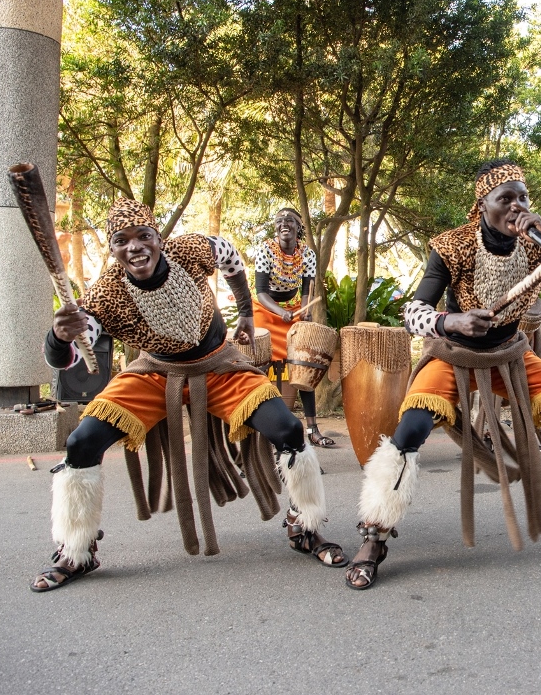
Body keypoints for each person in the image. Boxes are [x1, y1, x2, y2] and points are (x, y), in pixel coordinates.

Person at [344, 159, 541, 590]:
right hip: (454, 355)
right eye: (506, 198)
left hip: (509, 355)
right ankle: (373, 536)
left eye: (522, 197)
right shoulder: (453, 244)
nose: (517, 206)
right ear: (482, 205)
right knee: (408, 431)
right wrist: (453, 322)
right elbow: (414, 312)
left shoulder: (539, 241)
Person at [31, 199, 347, 592]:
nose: (135, 247)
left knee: (288, 430)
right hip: (154, 373)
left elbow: (231, 259)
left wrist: (246, 312)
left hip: (219, 365)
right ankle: (76, 549)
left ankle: (306, 525)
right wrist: (57, 336)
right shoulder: (105, 295)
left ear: (158, 239)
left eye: (144, 236)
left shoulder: (191, 249)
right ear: (113, 250)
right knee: (81, 442)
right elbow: (68, 358)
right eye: (122, 241)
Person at [252, 207, 335, 448]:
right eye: (279, 220)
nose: (284, 223)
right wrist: (281, 312)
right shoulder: (265, 250)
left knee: (304, 364)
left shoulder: (307, 254)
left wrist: (306, 311)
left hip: (293, 307)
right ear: (276, 227)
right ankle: (263, 431)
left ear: (299, 228)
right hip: (266, 311)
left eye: (290, 220)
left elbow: (308, 289)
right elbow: (260, 291)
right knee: (264, 369)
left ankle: (312, 430)